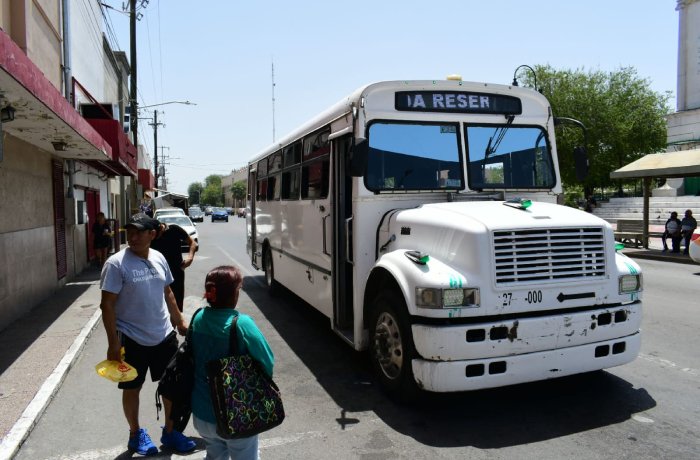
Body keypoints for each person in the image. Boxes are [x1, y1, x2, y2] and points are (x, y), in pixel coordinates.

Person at [99, 213, 196, 456]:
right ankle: (135, 434)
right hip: (131, 338)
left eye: (138, 232)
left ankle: (171, 431)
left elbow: (168, 292)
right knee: (132, 388)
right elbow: (107, 305)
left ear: (152, 234)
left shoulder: (159, 257)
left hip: (163, 334)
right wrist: (113, 344)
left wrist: (179, 320)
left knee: (171, 386)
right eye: (129, 232)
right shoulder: (116, 263)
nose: (132, 237)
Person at [190, 265, 275, 460]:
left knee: (215, 455)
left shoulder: (198, 318)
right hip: (235, 415)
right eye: (238, 289)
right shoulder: (241, 323)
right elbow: (267, 361)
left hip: (202, 414)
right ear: (233, 294)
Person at [150, 219, 197, 312]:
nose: (154, 238)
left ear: (161, 228)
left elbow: (193, 243)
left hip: (176, 272)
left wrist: (190, 258)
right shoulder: (150, 236)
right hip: (156, 273)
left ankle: (174, 324)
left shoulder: (174, 230)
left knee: (176, 304)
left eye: (156, 235)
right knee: (159, 305)